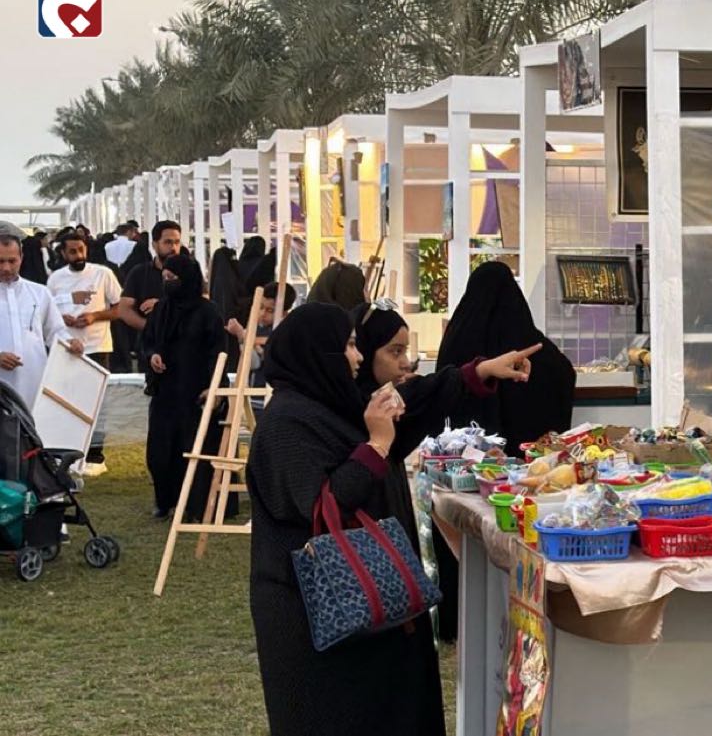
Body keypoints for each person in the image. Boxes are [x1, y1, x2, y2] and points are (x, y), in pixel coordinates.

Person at [246, 303, 446, 736]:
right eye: (349, 346)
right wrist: (376, 445)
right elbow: (326, 509)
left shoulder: (325, 408)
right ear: (317, 353)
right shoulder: (286, 424)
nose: (357, 357)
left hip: (358, 607)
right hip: (312, 615)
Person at [352, 301, 541, 644]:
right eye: (395, 351)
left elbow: (425, 393)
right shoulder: (345, 411)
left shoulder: (380, 403)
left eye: (405, 351)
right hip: (361, 573)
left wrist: (481, 371)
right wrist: (480, 370)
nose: (405, 362)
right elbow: (425, 392)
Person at [437, 262, 576, 453]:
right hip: (528, 461)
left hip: (467, 459)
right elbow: (563, 372)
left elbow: (444, 387)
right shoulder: (530, 343)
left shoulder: (458, 338)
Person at [142, 254, 224, 520]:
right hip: (166, 392)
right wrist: (152, 356)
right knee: (161, 451)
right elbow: (147, 341)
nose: (167, 283)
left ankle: (194, 503)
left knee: (193, 448)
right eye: (164, 278)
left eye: (173, 278)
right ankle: (165, 500)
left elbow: (217, 352)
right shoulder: (161, 310)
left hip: (194, 392)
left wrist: (213, 387)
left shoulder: (208, 312)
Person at [47, 232, 122, 474]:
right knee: (67, 401)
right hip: (67, 348)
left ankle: (96, 456)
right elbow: (48, 312)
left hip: (97, 346)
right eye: (72, 251)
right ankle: (69, 451)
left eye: (81, 249)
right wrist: (61, 318)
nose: (78, 255)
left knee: (98, 403)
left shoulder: (103, 273)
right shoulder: (55, 279)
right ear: (62, 253)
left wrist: (94, 316)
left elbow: (119, 308)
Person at [0, 232, 84, 406]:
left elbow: (55, 331)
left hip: (34, 379)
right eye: (0, 261)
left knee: (33, 419)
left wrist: (70, 342)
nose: (6, 268)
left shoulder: (39, 293)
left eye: (12, 261)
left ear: (21, 258)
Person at [119, 221, 182, 336]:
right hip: (149, 341)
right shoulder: (139, 273)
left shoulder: (190, 272)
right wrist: (149, 327)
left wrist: (162, 306)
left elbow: (202, 304)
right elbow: (124, 309)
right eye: (167, 242)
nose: (173, 248)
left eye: (177, 242)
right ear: (154, 245)